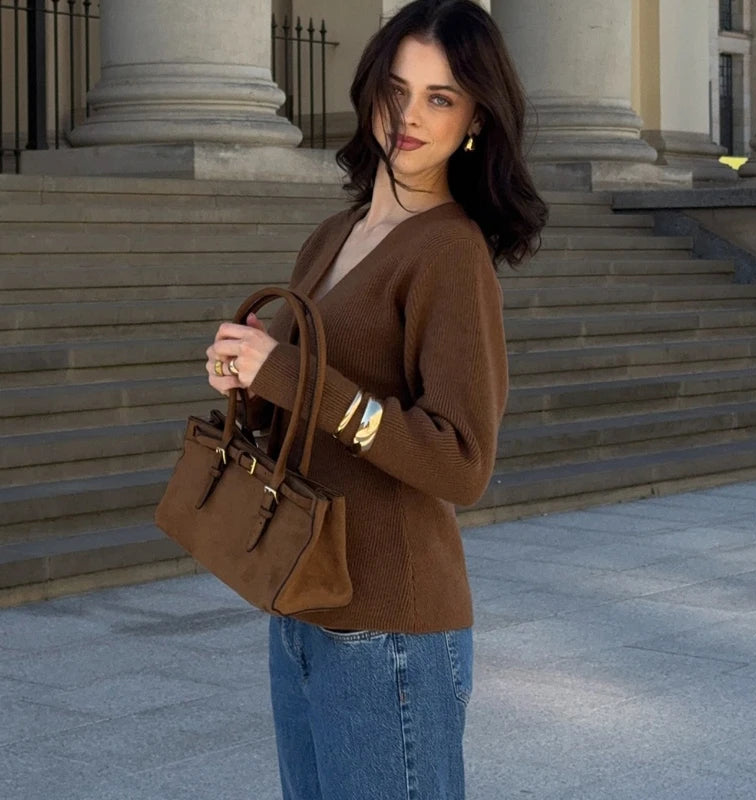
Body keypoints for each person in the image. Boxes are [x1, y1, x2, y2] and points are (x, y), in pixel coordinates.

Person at [204, 1, 547, 797]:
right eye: (398, 89)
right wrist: (250, 381)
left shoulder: (450, 252)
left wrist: (293, 376)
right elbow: (304, 410)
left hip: (389, 626)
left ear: (475, 121)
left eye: (441, 96)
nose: (410, 116)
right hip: (301, 600)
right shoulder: (337, 232)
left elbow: (461, 462)